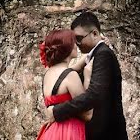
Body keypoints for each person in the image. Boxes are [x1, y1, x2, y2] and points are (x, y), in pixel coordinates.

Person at [45, 11, 129, 140]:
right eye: (74, 40)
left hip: (106, 133)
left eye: (78, 38)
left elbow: (94, 94)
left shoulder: (103, 54)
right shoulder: (94, 56)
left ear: (95, 34)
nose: (76, 44)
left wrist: (57, 111)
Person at [36, 28, 92, 140]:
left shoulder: (48, 74)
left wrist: (90, 53)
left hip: (52, 133)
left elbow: (67, 73)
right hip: (70, 132)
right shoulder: (71, 76)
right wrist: (87, 77)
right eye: (73, 42)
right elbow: (87, 114)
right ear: (67, 47)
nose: (76, 45)